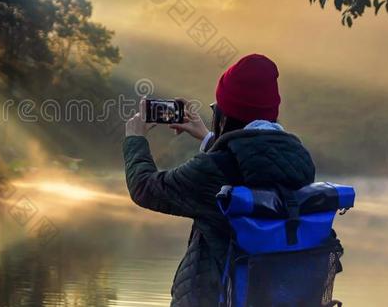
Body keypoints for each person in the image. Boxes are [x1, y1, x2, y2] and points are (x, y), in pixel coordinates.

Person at [123, 54, 315, 307]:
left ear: (225, 117)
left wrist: (135, 140)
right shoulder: (298, 163)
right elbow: (252, 159)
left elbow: (144, 188)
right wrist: (208, 137)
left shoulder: (212, 170)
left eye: (217, 109)